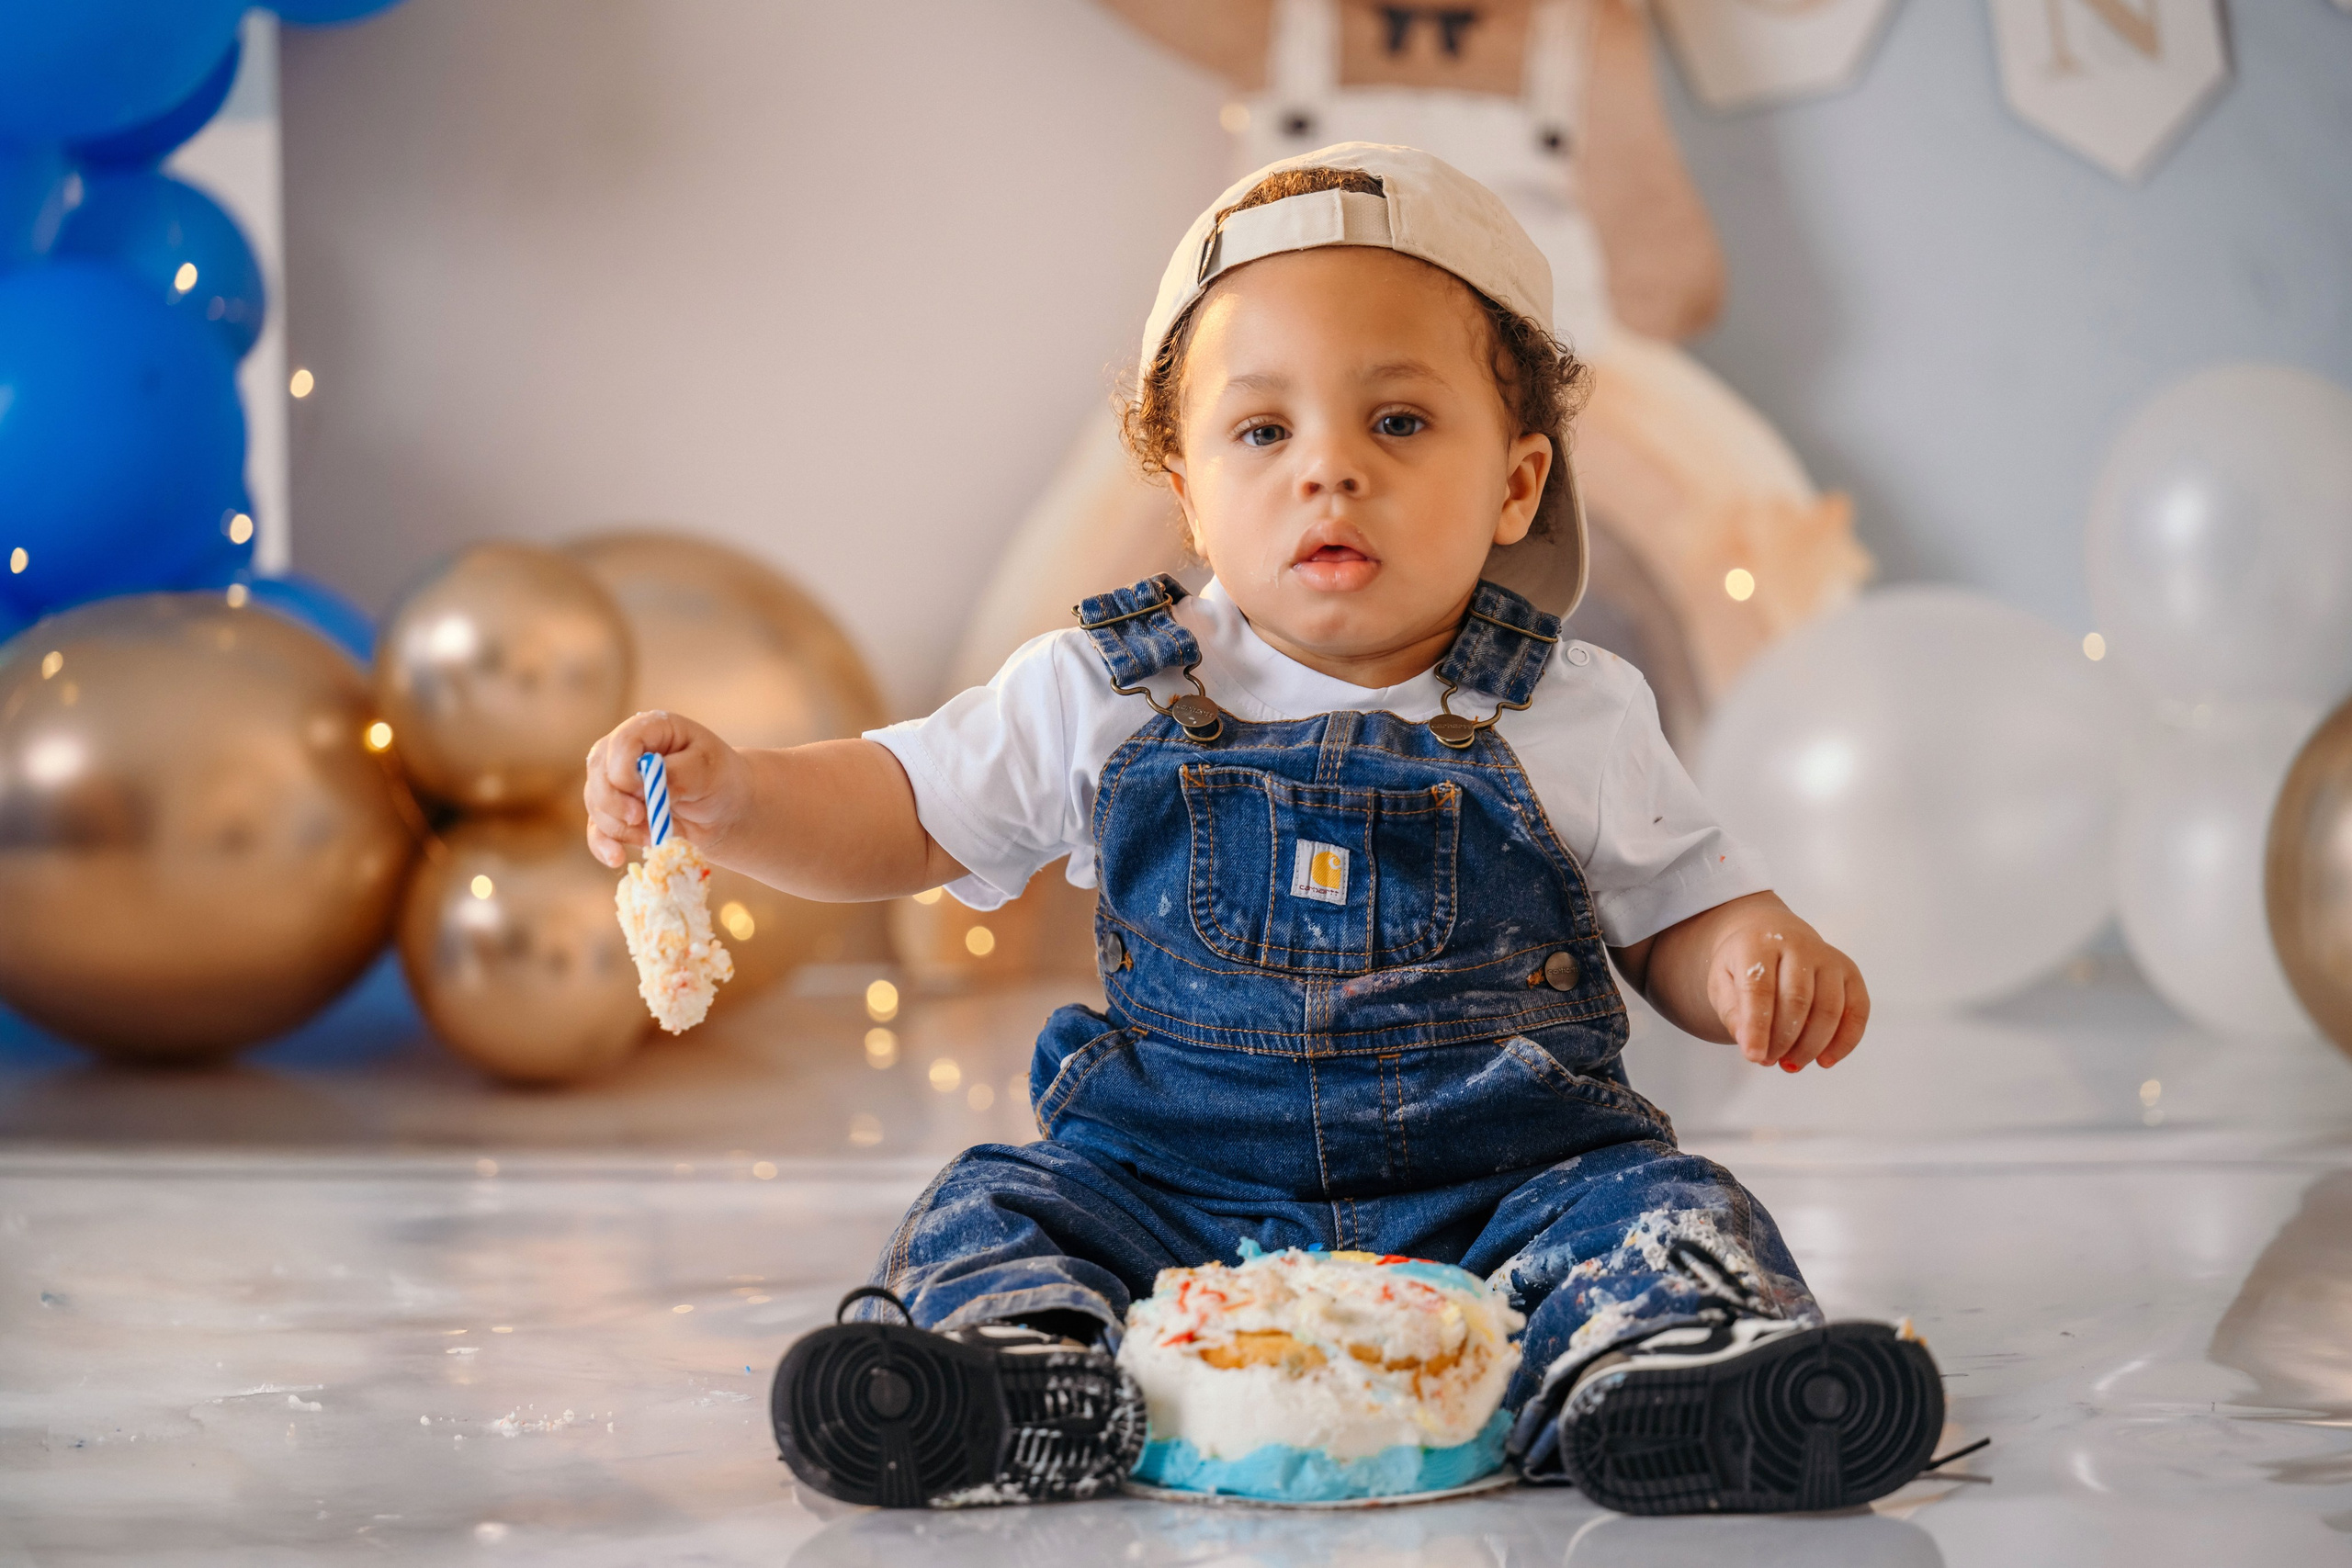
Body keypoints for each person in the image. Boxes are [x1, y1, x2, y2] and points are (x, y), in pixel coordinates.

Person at [582, 143, 1942, 1517]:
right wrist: (742, 796)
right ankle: (1015, 1373)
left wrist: (1748, 956)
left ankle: (1669, 1375)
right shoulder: (1107, 690)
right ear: (1184, 487)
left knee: (1663, 1208)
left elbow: (1678, 910)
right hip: (1170, 1184)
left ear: (1517, 483)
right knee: (991, 1206)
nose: (1329, 472)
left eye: (1398, 422)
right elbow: (905, 808)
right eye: (1262, 432)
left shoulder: (1574, 708)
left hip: (1503, 1179)